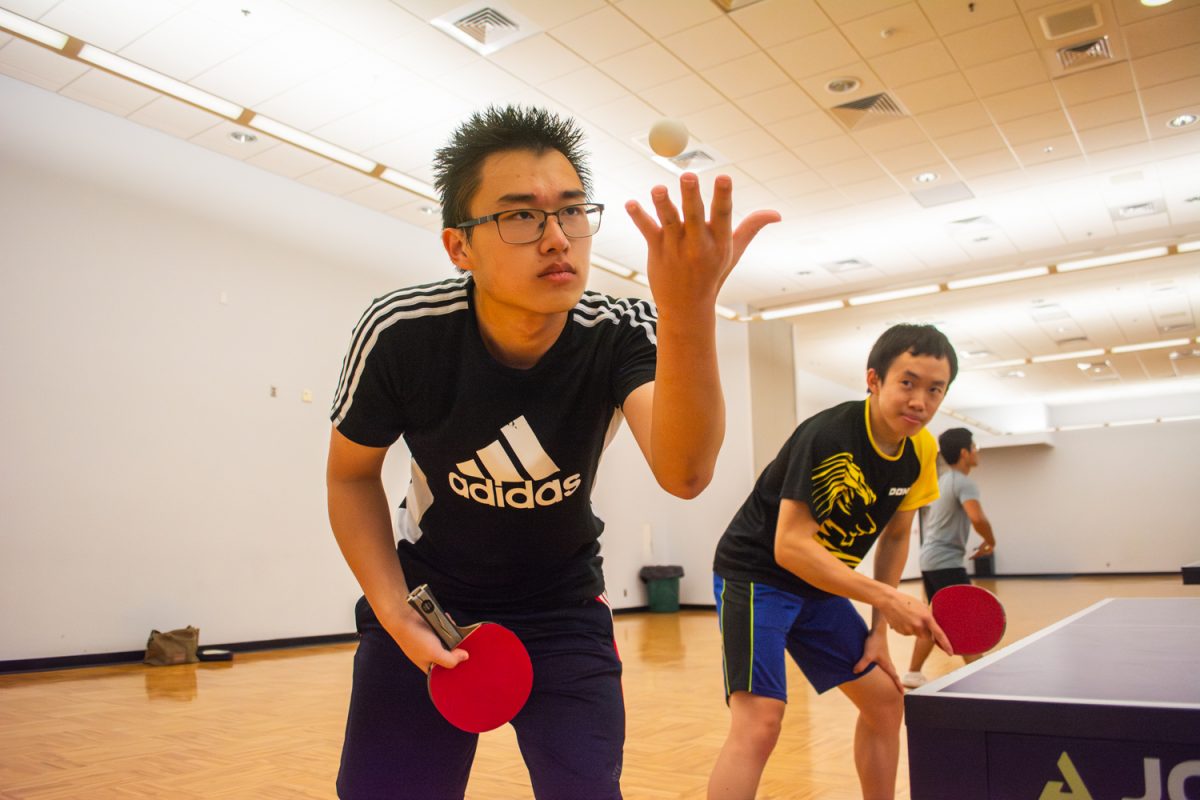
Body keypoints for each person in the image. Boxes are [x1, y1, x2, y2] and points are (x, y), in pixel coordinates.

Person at [325, 104, 778, 800]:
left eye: (571, 212)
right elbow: (351, 477)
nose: (556, 238)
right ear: (459, 247)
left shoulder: (618, 333)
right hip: (430, 600)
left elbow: (685, 473)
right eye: (520, 216)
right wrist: (393, 612)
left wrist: (688, 311)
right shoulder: (402, 332)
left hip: (564, 608)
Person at [708, 324, 957, 800]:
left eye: (934, 389)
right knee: (760, 722)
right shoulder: (829, 434)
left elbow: (896, 535)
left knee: (885, 702)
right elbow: (790, 546)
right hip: (758, 576)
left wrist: (879, 631)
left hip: (820, 584)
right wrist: (887, 597)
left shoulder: (920, 448)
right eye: (907, 382)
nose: (920, 401)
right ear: (874, 380)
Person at [902, 427, 996, 689]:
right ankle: (981, 674)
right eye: (974, 447)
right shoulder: (964, 482)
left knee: (937, 618)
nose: (977, 452)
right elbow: (977, 517)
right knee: (962, 618)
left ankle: (913, 673)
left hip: (930, 560)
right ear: (965, 453)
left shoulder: (943, 479)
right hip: (945, 563)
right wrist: (991, 540)